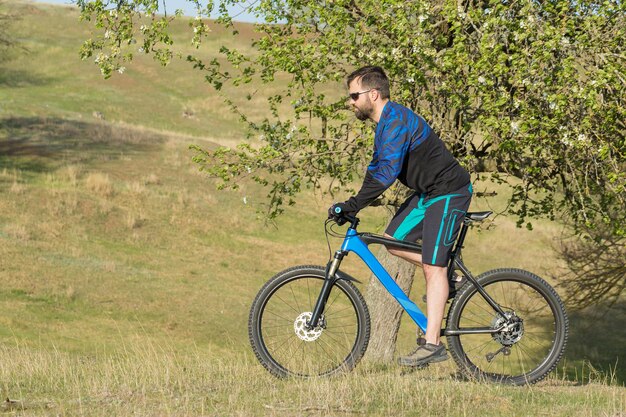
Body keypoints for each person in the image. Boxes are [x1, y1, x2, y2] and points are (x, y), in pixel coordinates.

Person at [328, 66, 473, 367]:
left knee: (433, 267)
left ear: (374, 94)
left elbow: (385, 175)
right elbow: (375, 170)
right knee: (393, 242)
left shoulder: (395, 123)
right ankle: (451, 277)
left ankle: (432, 344)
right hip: (428, 194)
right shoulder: (384, 124)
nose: (350, 102)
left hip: (449, 192)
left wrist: (352, 205)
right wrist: (350, 203)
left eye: (354, 96)